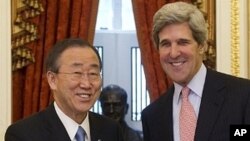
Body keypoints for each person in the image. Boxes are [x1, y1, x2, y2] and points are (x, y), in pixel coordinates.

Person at [141, 2, 250, 141]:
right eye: (166, 44)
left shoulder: (242, 97)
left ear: (202, 46)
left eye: (183, 42)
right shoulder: (152, 116)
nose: (173, 53)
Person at [5, 38, 124, 141]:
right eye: (77, 73)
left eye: (93, 73)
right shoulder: (23, 134)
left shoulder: (111, 130)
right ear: (52, 80)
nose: (86, 84)